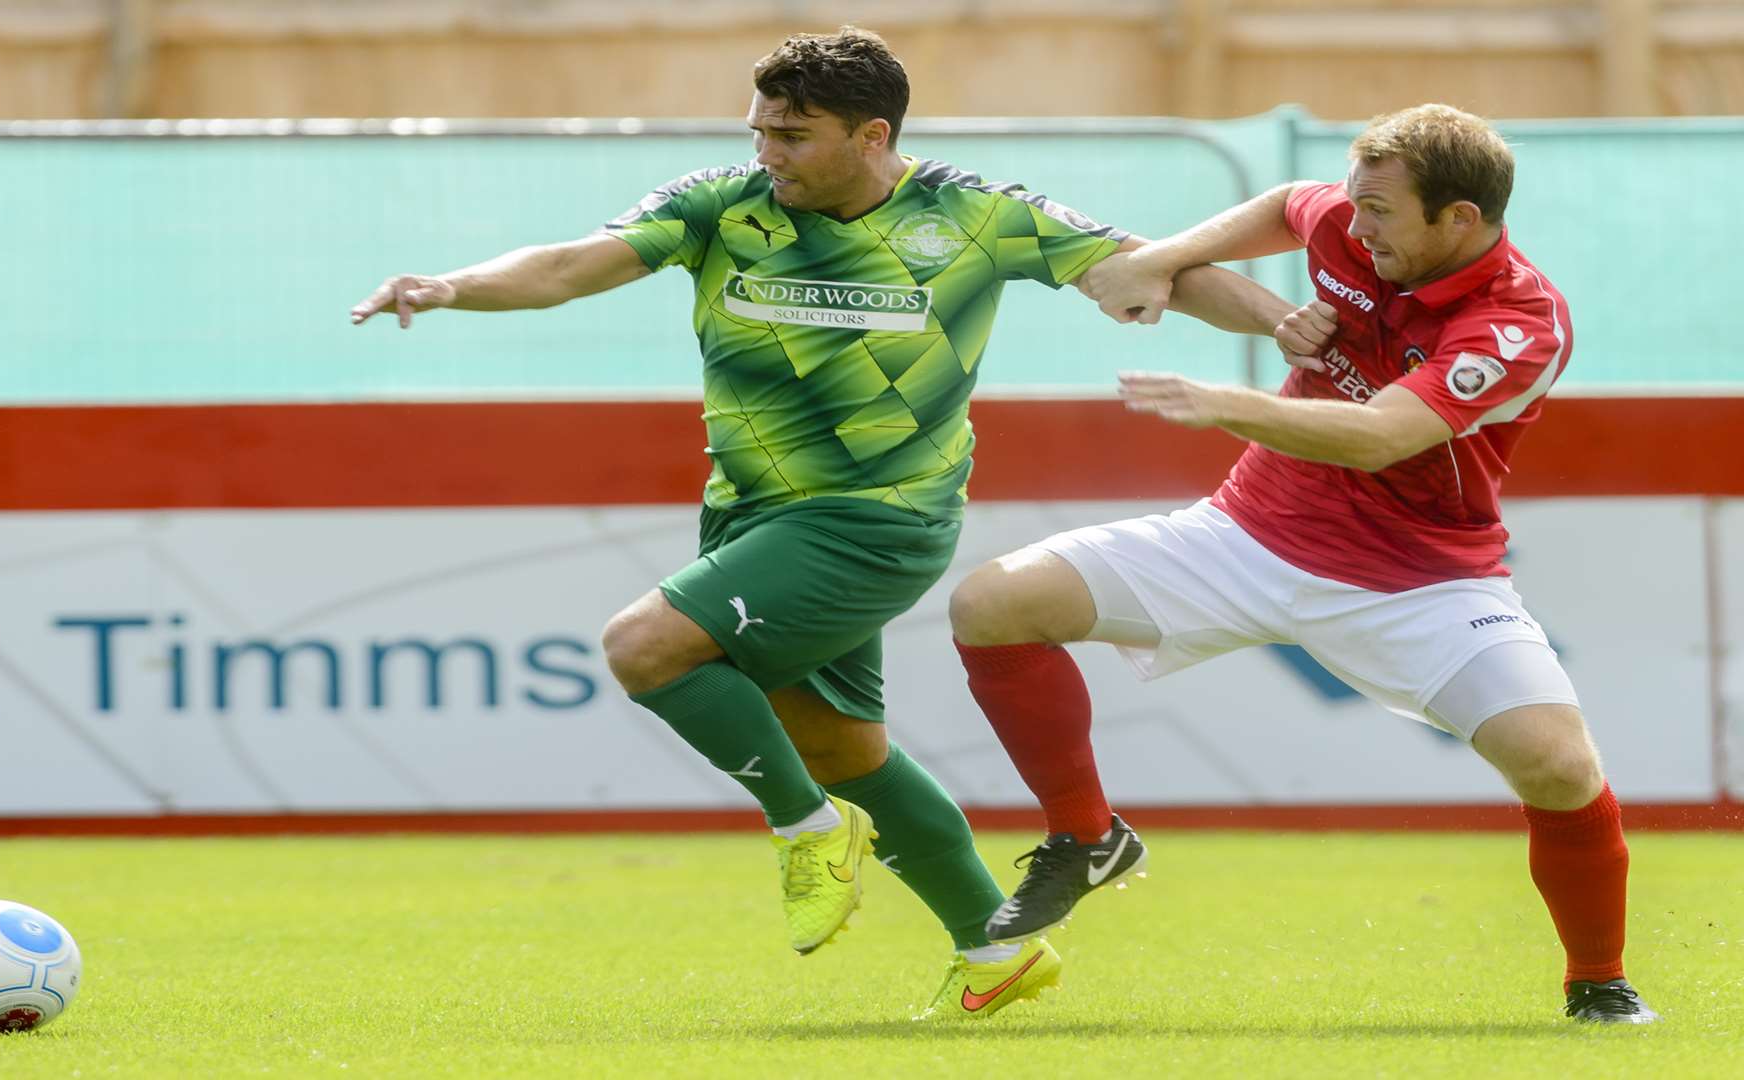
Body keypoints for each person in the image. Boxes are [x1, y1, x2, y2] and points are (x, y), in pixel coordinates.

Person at [352, 26, 1290, 1019]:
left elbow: (1165, 271)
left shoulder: (977, 215)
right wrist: (451, 287)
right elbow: (568, 266)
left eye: (793, 136)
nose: (768, 152)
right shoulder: (719, 205)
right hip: (750, 519)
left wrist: (1288, 327)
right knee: (846, 750)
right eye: (760, 130)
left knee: (644, 648)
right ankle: (992, 950)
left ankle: (805, 829)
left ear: (872, 135)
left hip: (879, 521)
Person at [948, 103, 1658, 1024]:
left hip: (1422, 583)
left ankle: (1598, 983)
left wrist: (1227, 404)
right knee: (991, 605)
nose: (1355, 228)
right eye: (1357, 206)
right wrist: (1163, 258)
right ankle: (1086, 836)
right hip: (1245, 534)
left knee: (1559, 769)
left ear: (1460, 221)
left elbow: (1380, 437)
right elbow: (1291, 202)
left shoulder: (1519, 320)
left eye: (1380, 213)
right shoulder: (1357, 222)